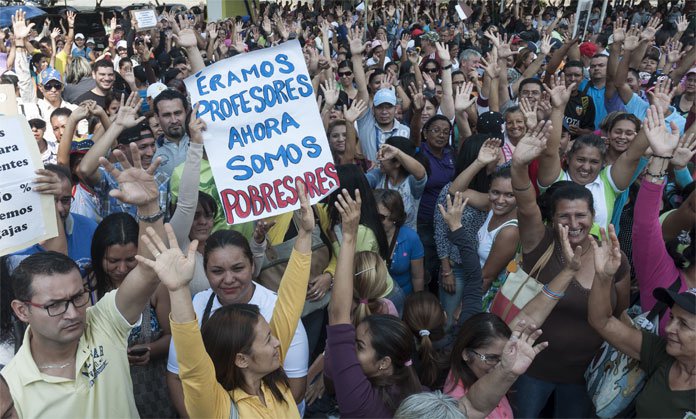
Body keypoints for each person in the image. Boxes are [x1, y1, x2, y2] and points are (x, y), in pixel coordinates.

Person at [1, 143, 168, 417]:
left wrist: (149, 207)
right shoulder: (13, 388)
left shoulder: (103, 323)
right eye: (55, 305)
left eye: (78, 297)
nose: (73, 314)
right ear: (22, 310)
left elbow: (149, 271)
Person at [143, 183, 313, 418]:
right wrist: (178, 289)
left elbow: (290, 303)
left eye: (237, 268)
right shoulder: (217, 409)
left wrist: (304, 235)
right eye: (268, 339)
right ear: (242, 359)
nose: (278, 342)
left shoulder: (276, 387)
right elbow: (190, 361)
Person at [509, 121, 630, 417]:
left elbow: (619, 313)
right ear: (551, 218)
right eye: (565, 216)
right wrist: (519, 165)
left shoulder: (612, 257)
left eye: (581, 215)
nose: (574, 224)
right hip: (531, 369)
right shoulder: (540, 241)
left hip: (583, 375)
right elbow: (525, 205)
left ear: (594, 216)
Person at [325, 188, 422, 417]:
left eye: (358, 346)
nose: (347, 349)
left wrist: (348, 237)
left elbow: (338, 315)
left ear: (384, 363)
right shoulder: (413, 393)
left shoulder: (359, 402)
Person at [588, 226, 696, 418]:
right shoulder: (662, 353)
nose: (669, 328)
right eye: (672, 318)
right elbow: (602, 321)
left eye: (684, 324)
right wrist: (603, 277)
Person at [88, 212, 175, 418]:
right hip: (108, 396)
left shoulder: (156, 287)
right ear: (99, 256)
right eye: (113, 260)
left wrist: (150, 350)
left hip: (155, 393)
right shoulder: (87, 289)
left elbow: (174, 336)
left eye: (130, 260)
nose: (122, 268)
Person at [366, 138, 427, 230]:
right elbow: (361, 181)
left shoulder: (411, 182)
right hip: (380, 236)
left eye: (384, 155)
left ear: (397, 163)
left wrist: (397, 153)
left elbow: (421, 173)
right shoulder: (378, 175)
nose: (379, 159)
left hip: (406, 239)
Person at [374, 189, 425, 295]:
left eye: (380, 217)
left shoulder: (411, 238)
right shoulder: (367, 235)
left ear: (395, 216)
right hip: (374, 298)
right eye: (373, 216)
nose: (375, 221)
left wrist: (416, 304)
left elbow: (418, 277)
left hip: (402, 297)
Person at [152, 89, 191, 177]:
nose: (173, 120)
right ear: (157, 117)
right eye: (167, 115)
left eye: (178, 113)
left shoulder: (203, 141)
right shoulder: (151, 152)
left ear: (186, 112)